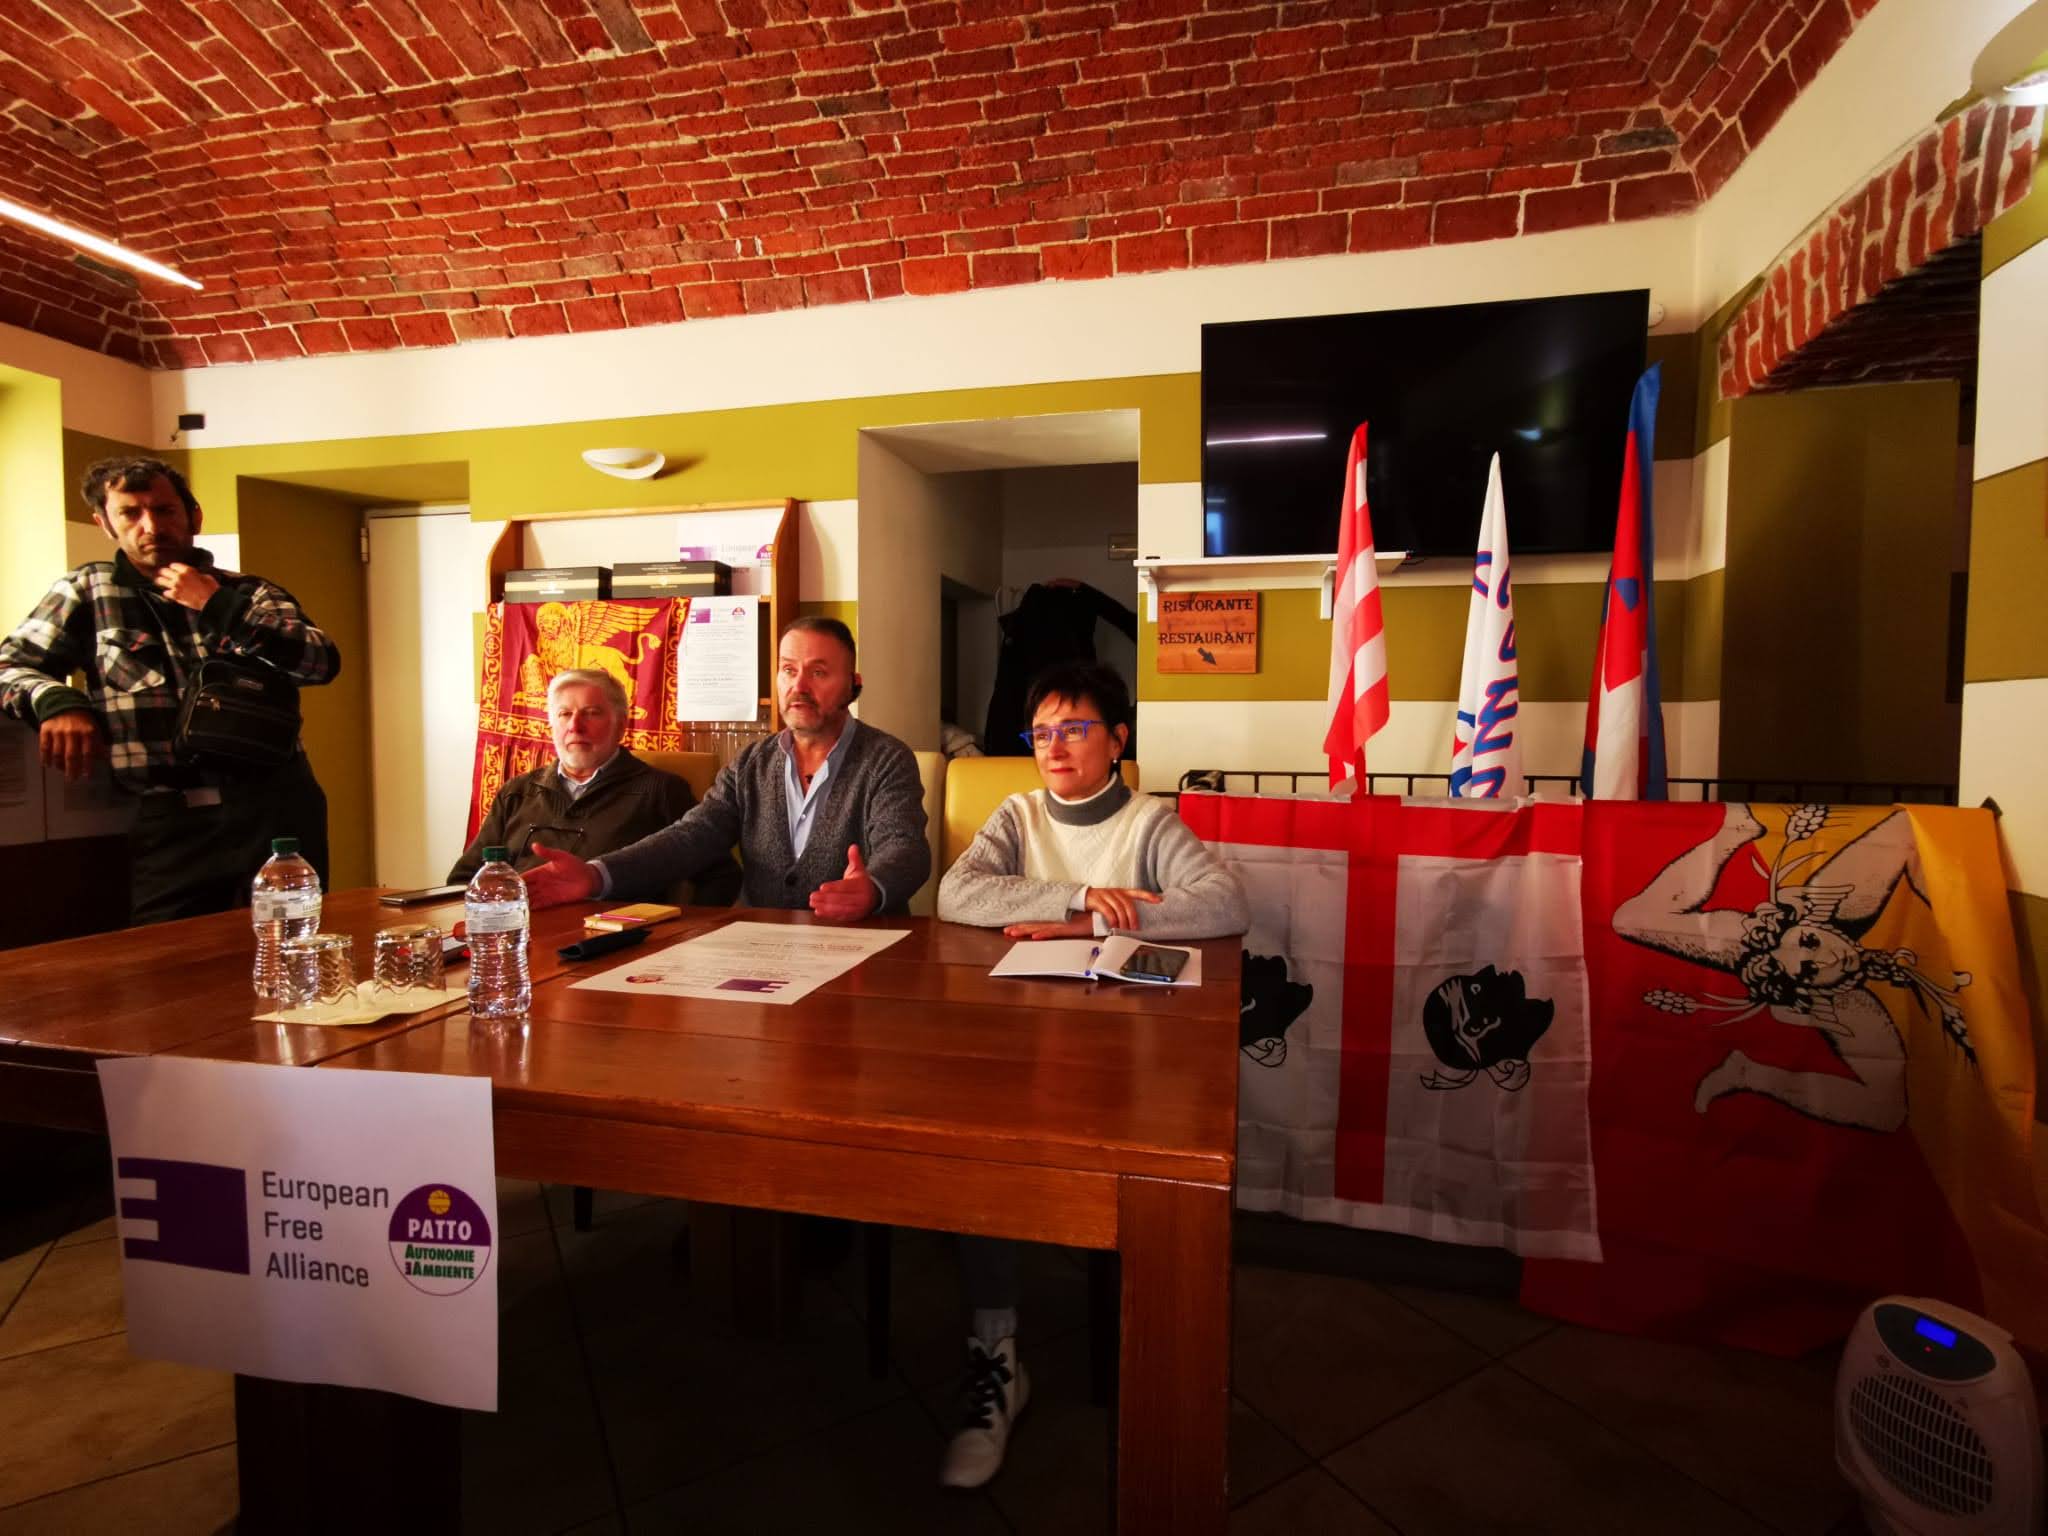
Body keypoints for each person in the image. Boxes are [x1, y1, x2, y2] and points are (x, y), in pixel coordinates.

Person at [933, 660, 1249, 1488]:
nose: (1055, 747)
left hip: (1125, 1057)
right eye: (1041, 732)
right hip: (1022, 1045)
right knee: (981, 1146)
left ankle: (1164, 1373)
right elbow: (956, 895)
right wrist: (1078, 900)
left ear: (1117, 740)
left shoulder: (1149, 822)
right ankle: (996, 1351)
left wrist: (1103, 920)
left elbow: (1223, 903)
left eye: (1075, 729)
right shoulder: (1018, 812)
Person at [0, 456, 338, 923]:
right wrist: (57, 702)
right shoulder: (88, 591)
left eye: (164, 510)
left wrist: (216, 605)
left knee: (293, 946)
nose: (151, 526)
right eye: (130, 513)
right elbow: (10, 666)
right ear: (104, 523)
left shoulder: (250, 592)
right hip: (170, 821)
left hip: (275, 811)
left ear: (193, 516)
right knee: (167, 956)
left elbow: (320, 662)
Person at [521, 617, 929, 917]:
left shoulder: (885, 759)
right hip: (763, 952)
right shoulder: (751, 762)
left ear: (854, 684)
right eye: (789, 670)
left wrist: (874, 888)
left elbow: (905, 847)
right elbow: (691, 837)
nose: (799, 686)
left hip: (860, 949)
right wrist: (596, 875)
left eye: (819, 672)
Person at [448, 667, 739, 906]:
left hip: (615, 944)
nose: (575, 726)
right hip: (516, 938)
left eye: (591, 713)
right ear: (551, 725)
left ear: (620, 725)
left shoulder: (660, 791)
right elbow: (464, 879)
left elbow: (720, 877)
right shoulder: (517, 792)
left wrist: (683, 935)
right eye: (564, 714)